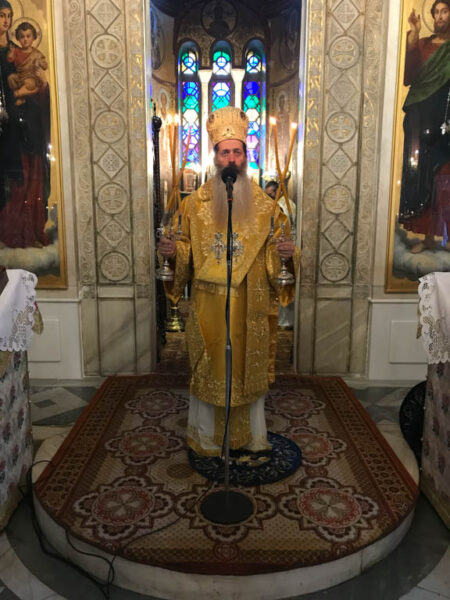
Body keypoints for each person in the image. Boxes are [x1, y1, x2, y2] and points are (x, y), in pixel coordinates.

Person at [158, 106, 299, 456]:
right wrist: (173, 252)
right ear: (215, 156)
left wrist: (286, 255)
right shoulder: (194, 205)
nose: (231, 159)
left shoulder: (267, 207)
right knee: (211, 367)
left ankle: (249, 437)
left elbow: (277, 254)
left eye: (237, 152)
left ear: (245, 156)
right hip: (209, 306)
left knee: (244, 369)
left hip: (251, 305)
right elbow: (185, 249)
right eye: (225, 152)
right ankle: (208, 437)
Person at [398, 0, 450, 253]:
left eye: (445, 11)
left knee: (444, 175)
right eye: (436, 12)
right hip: (421, 116)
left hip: (445, 118)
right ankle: (427, 237)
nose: (440, 16)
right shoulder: (423, 45)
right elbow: (408, 76)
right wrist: (414, 35)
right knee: (421, 175)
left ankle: (445, 236)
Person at [0, 0, 50, 249]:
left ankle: (29, 231)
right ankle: (10, 231)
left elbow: (41, 83)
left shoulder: (15, 50)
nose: (6, 20)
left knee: (29, 175)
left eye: (9, 15)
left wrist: (40, 85)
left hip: (26, 123)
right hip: (6, 126)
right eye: (1, 15)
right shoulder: (11, 54)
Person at [7, 21, 48, 106]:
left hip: (30, 78)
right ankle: (21, 98)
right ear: (18, 39)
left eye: (28, 36)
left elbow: (45, 65)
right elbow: (9, 60)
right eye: (22, 37)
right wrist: (11, 53)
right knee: (11, 78)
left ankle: (20, 95)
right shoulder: (16, 51)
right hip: (20, 76)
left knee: (29, 83)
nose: (25, 39)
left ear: (33, 38)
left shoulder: (36, 53)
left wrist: (41, 63)